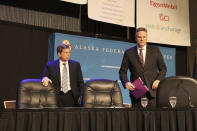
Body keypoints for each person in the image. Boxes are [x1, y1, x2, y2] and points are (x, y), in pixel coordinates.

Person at [119, 27, 167, 107]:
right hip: (136, 92)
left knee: (152, 118)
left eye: (144, 37)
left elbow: (163, 69)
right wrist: (126, 82)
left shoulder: (155, 50)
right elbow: (122, 72)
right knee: (138, 118)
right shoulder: (129, 53)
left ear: (147, 38)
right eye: (139, 37)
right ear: (135, 38)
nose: (142, 39)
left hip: (152, 92)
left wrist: (158, 80)